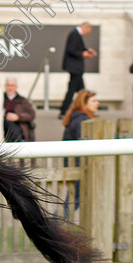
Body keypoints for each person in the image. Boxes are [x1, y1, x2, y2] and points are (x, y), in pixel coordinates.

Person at [61, 89, 98, 219]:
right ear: (84, 103)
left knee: (74, 200)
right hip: (79, 167)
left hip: (76, 166)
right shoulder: (81, 120)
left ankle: (54, 223)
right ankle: (53, 223)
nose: (97, 103)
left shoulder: (77, 118)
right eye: (93, 101)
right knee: (72, 202)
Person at [59, 22, 97, 118]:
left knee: (82, 91)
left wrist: (86, 50)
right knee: (73, 90)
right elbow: (71, 49)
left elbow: (76, 48)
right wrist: (82, 54)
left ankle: (85, 110)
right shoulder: (74, 35)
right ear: (85, 27)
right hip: (74, 68)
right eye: (88, 31)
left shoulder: (76, 35)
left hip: (76, 68)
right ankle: (64, 111)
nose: (88, 33)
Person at [2, 77, 36, 142]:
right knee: (8, 122)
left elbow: (31, 114)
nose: (10, 88)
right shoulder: (1, 98)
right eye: (8, 85)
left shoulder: (22, 100)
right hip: (3, 125)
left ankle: (19, 140)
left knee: (11, 124)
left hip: (18, 126)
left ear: (16, 87)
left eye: (12, 85)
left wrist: (18, 117)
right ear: (5, 86)